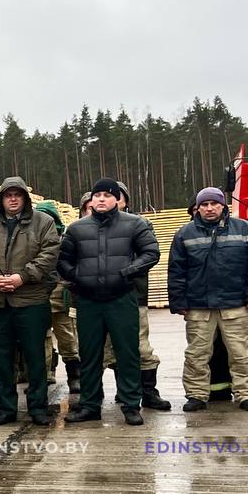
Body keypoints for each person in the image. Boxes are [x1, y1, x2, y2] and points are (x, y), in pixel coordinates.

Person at [57, 178, 160, 425]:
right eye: (97, 195)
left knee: (127, 354)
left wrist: (127, 272)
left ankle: (130, 404)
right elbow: (62, 262)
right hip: (89, 301)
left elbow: (151, 253)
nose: (101, 199)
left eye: (107, 195)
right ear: (91, 200)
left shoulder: (135, 225)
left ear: (117, 199)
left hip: (121, 299)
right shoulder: (77, 229)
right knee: (90, 355)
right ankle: (90, 405)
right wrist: (78, 278)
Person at [167, 186, 248, 412]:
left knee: (242, 353)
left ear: (223, 206)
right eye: (204, 204)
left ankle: (247, 394)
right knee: (197, 355)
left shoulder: (245, 230)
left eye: (214, 204)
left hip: (235, 305)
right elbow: (176, 271)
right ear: (197, 208)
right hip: (199, 307)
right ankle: (196, 395)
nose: (209, 208)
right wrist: (178, 302)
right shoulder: (184, 233)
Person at [0, 177, 61, 426]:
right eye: (8, 195)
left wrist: (23, 277)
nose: (13, 199)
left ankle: (38, 407)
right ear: (1, 199)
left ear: (25, 198)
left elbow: (50, 253)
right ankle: (5, 408)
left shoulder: (43, 223)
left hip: (31, 301)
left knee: (35, 357)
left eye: (17, 194)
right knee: (2, 359)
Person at [104, 182, 172, 411]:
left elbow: (149, 255)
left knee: (141, 347)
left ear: (124, 200)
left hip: (134, 295)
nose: (111, 199)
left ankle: (149, 392)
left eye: (117, 196)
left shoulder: (140, 225)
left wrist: (124, 272)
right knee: (112, 349)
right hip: (103, 298)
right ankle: (125, 391)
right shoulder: (96, 225)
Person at [32, 200, 80, 393]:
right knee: (40, 339)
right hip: (37, 296)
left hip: (61, 297)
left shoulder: (65, 240)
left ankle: (74, 376)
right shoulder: (31, 239)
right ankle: (44, 376)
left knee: (67, 337)